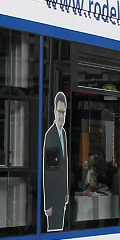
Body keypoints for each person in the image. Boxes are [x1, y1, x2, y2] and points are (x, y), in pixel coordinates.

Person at [42, 92, 68, 232]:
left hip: (61, 196)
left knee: (60, 229)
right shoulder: (51, 135)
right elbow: (48, 171)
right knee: (53, 229)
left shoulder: (63, 134)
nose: (61, 116)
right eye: (59, 112)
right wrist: (47, 204)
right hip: (53, 198)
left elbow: (64, 165)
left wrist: (66, 193)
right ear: (54, 111)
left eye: (63, 112)